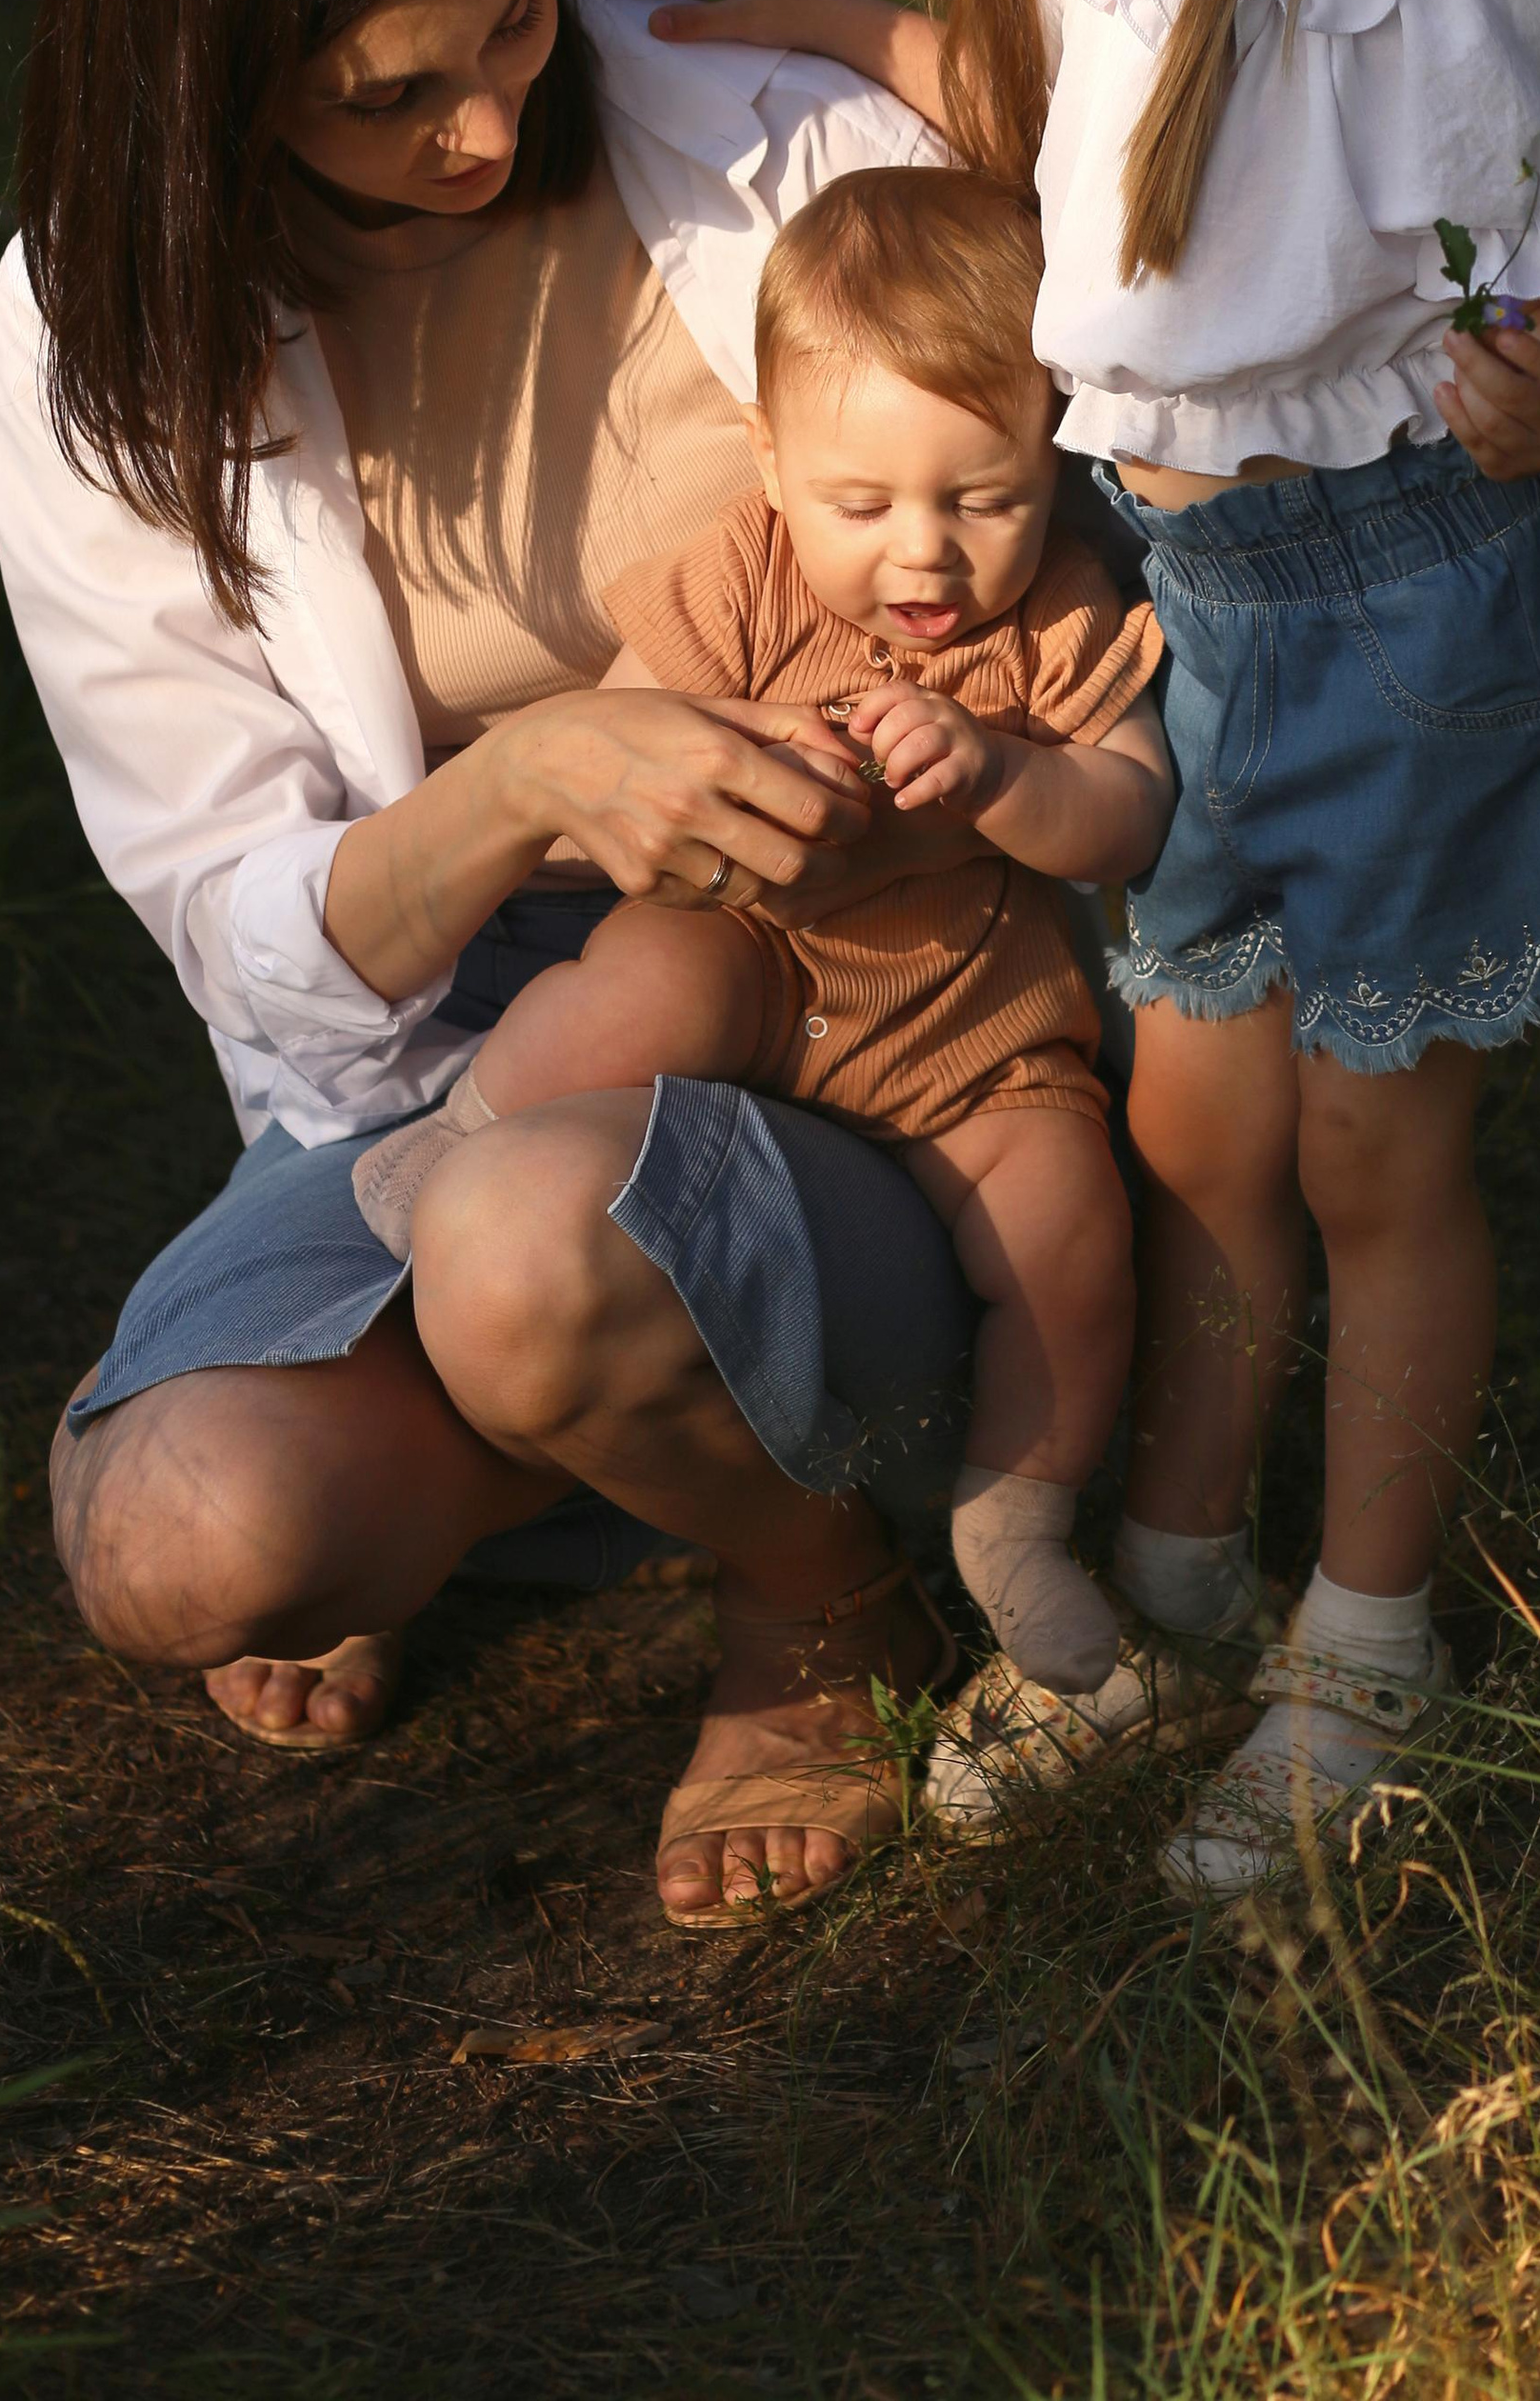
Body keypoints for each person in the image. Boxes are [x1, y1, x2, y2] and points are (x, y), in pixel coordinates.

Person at [611, 0, 1540, 1895]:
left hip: (1420, 594)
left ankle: (1370, 1644)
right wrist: (815, 14)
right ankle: (1183, 1581)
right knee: (1200, 1113)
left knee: (1369, 1159)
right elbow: (1047, 119)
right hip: (1207, 609)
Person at [0, 0, 1005, 1931]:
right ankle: (578, 1418)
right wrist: (524, 780)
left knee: (523, 1241)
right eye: (379, 95)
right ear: (207, 90)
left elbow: (1080, 489)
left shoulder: (766, 144)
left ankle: (806, 1583)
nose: (474, 124)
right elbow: (238, 923)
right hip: (433, 1052)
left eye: (510, 22)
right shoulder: (94, 332)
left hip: (841, 995)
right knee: (187, 1543)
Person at [353, 164, 1174, 1706]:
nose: (923, 555)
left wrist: (1006, 774)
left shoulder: (1056, 605)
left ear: (1047, 457)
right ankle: (449, 1143)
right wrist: (718, 736)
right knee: (647, 981)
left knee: (1071, 1227)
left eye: (981, 496)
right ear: (773, 463)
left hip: (966, 1033)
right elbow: (605, 734)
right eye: (862, 505)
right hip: (758, 968)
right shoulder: (739, 570)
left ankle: (1017, 1520)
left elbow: (1128, 811)